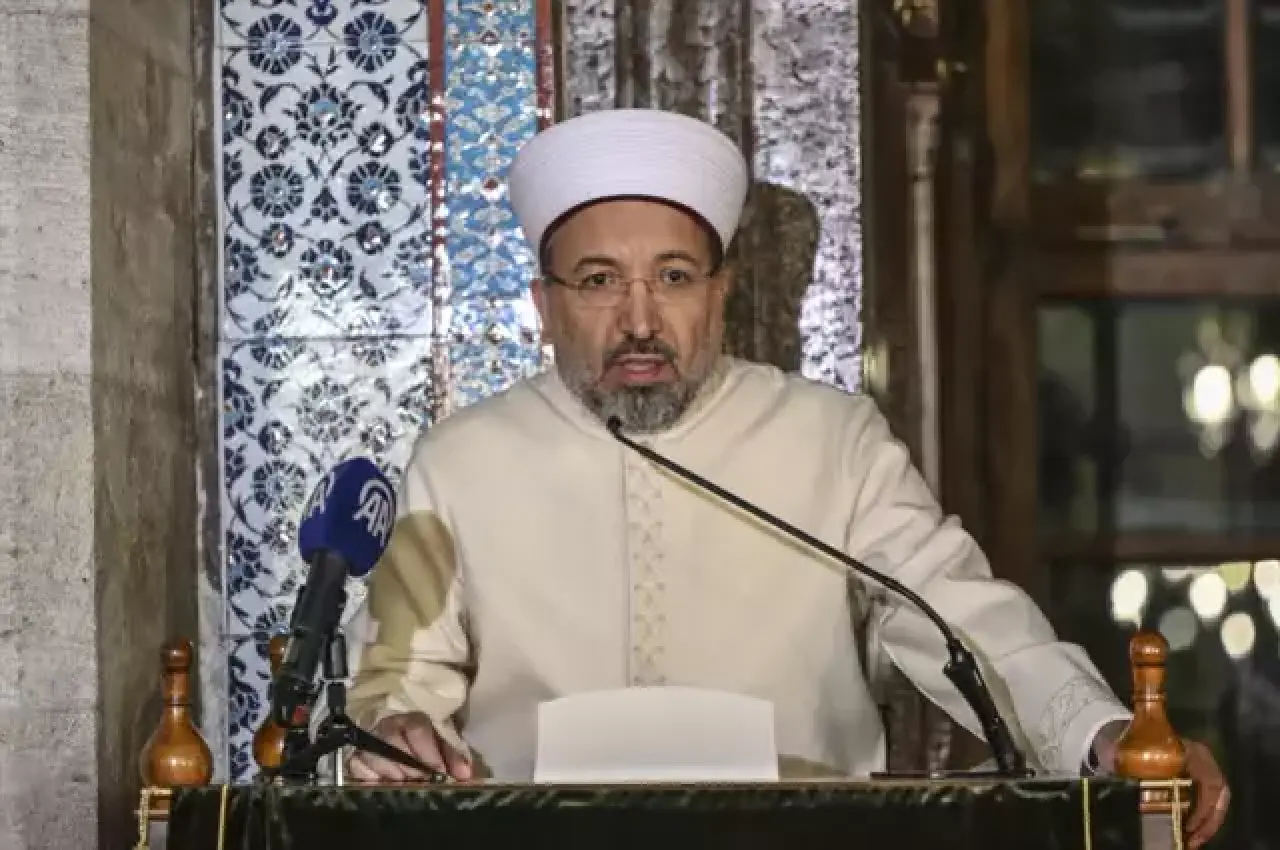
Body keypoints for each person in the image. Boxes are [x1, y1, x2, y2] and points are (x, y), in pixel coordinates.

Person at [342, 108, 1228, 846]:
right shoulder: (462, 461)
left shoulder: (831, 439)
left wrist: (1104, 733)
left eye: (674, 277)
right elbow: (396, 677)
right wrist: (393, 732)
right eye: (599, 280)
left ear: (720, 292)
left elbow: (964, 618)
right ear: (544, 305)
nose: (640, 320)